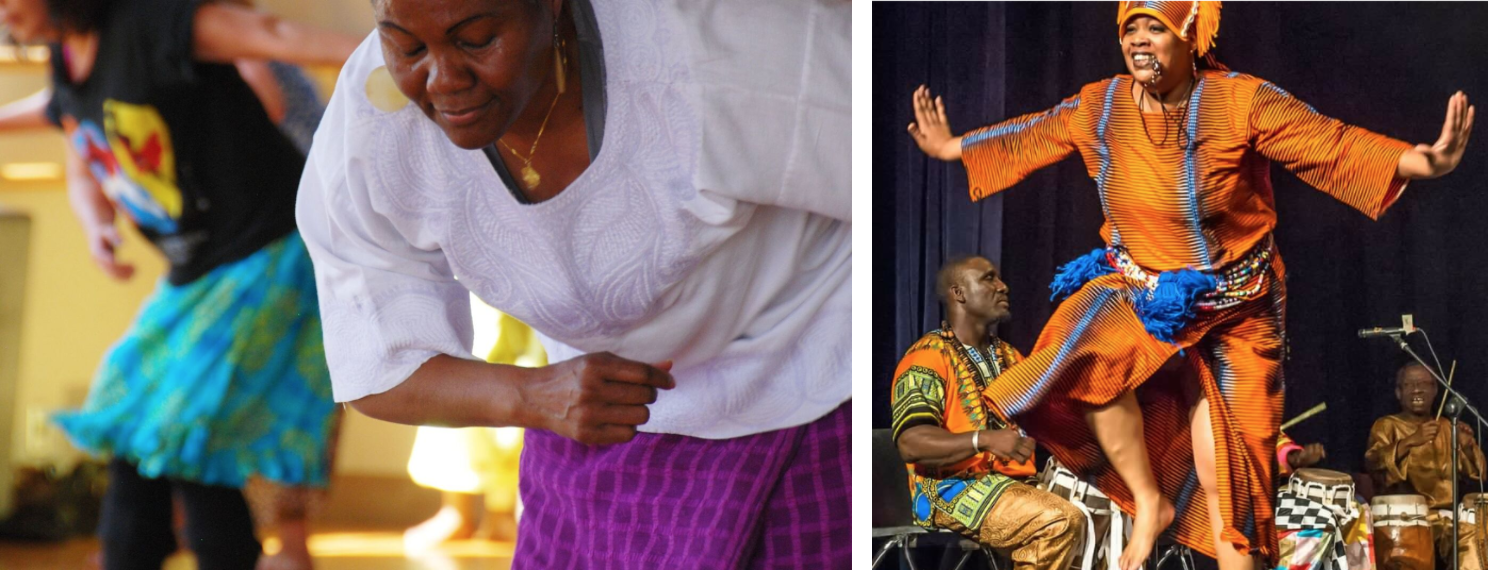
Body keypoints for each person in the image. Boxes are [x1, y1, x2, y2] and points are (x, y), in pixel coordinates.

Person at [907, 2, 1474, 568]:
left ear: (1190, 37)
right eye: (1131, 29)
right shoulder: (1099, 107)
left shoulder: (1239, 101)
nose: (1140, 41)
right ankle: (1150, 503)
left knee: (1234, 484)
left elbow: (1329, 142)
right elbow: (1032, 132)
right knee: (1084, 354)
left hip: (1240, 306)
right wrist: (953, 147)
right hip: (1143, 293)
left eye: (1156, 27)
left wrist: (1419, 163)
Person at [295, 0, 850, 567]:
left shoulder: (713, 51)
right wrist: (532, 396)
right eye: (407, 47)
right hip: (589, 418)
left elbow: (897, 168)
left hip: (806, 391)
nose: (443, 80)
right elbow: (373, 359)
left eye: (477, 39)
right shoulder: (371, 127)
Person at [0, 0, 359, 567]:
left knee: (183, 435)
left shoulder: (153, 22)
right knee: (133, 419)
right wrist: (98, 227)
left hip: (269, 251)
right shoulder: (66, 58)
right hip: (196, 274)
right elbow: (74, 129)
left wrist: (408, 53)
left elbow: (272, 34)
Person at [892, 256, 1086, 569]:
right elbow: (911, 443)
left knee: (1104, 516)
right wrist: (982, 440)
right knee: (1057, 522)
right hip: (949, 490)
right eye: (988, 278)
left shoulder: (1011, 357)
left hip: (1017, 486)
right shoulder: (927, 357)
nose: (1003, 286)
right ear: (959, 293)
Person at [1366, 363, 1487, 570]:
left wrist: (1467, 447)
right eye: (1410, 384)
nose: (1417, 389)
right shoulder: (1387, 425)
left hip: (1450, 517)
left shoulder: (1449, 427)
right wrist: (1411, 440)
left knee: (1475, 534)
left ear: (1435, 390)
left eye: (1424, 384)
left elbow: (1480, 477)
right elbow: (1374, 463)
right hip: (1409, 516)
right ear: (1398, 392)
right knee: (1460, 536)